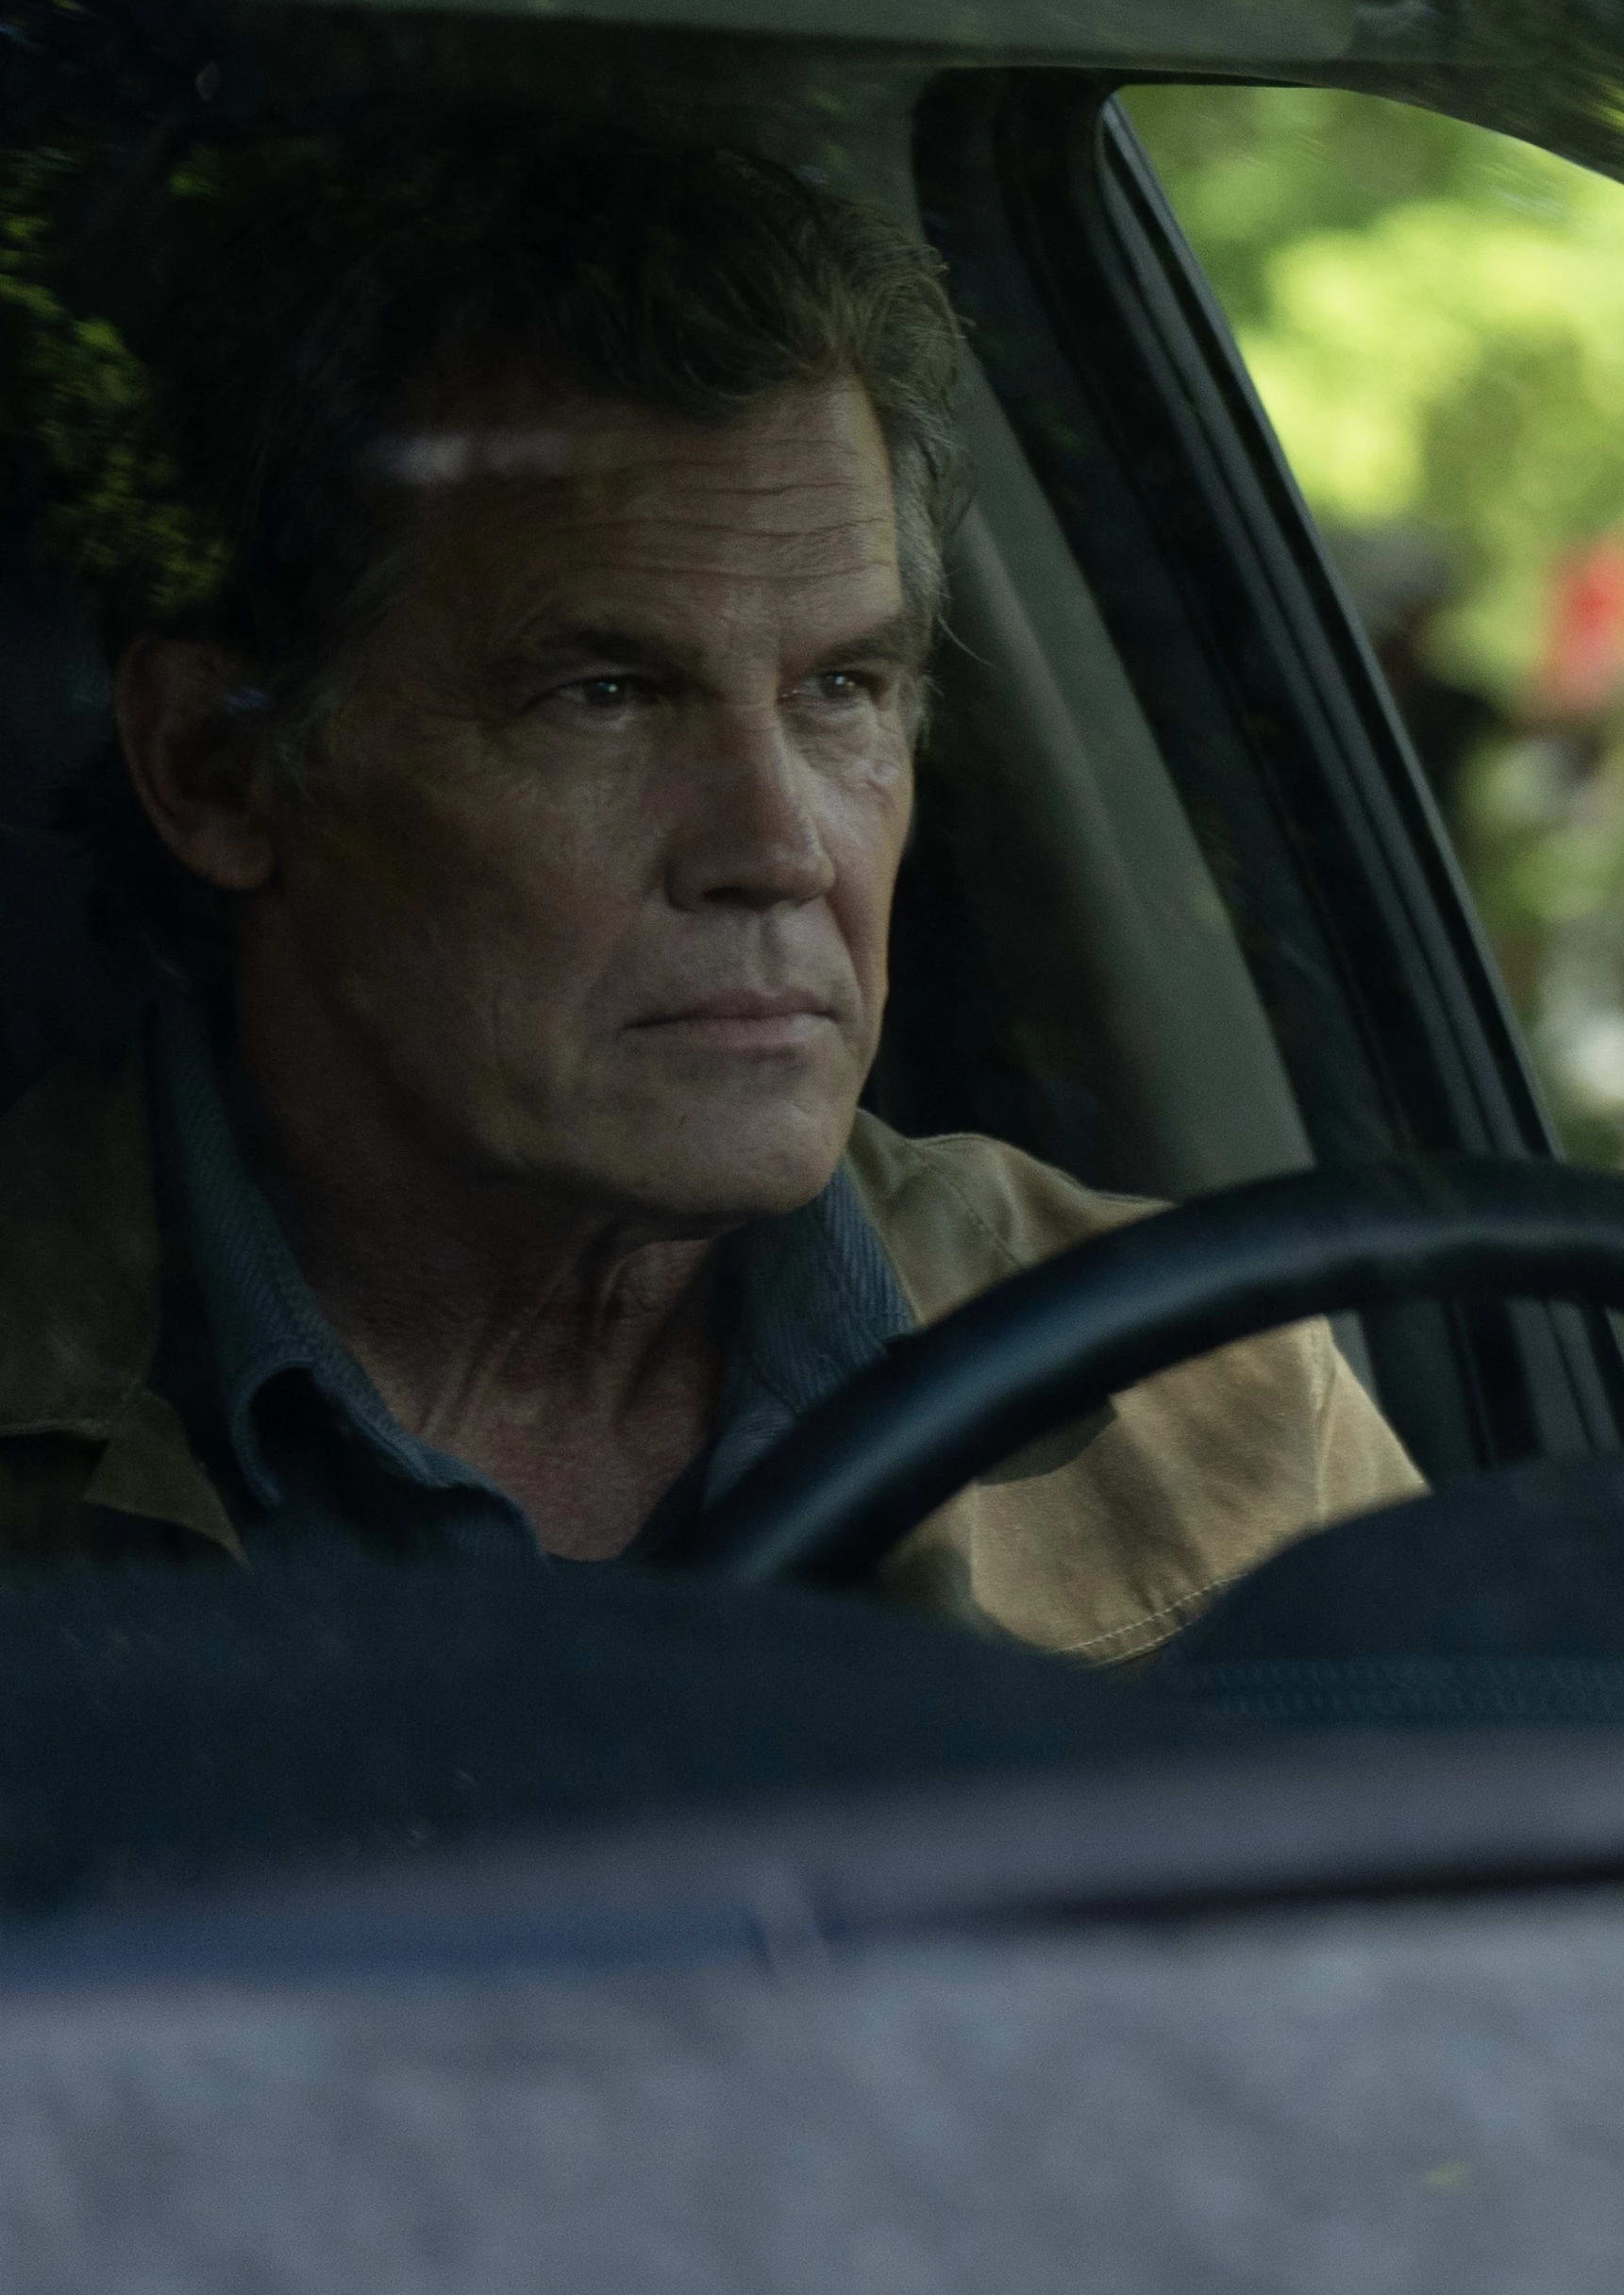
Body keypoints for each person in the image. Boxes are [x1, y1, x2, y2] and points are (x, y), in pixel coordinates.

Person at [0, 122, 1417, 1657]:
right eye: (604, 692)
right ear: (218, 766)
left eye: (842, 691)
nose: (780, 846)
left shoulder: (1210, 1406)